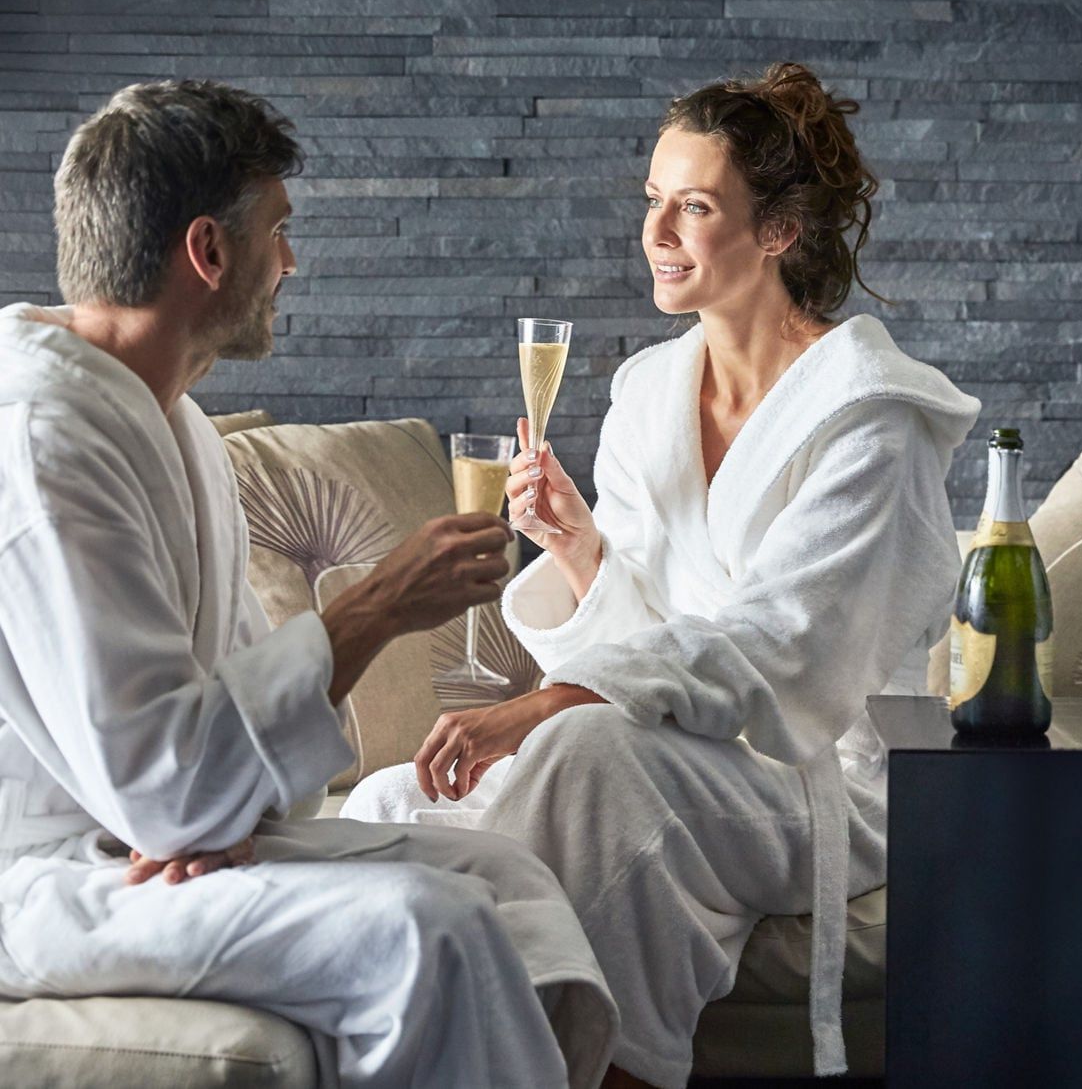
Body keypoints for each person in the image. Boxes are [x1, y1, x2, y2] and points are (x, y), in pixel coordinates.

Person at [343, 62, 981, 1087]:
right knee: (384, 806)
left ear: (777, 230)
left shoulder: (872, 419)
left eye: (694, 205)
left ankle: (592, 1065)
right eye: (652, 200)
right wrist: (582, 551)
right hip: (661, 744)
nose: (658, 232)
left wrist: (546, 701)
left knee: (585, 751)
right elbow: (640, 643)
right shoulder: (647, 391)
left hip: (815, 776)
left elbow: (779, 647)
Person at [0, 80, 618, 1089]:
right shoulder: (43, 442)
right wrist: (376, 607)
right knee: (431, 928)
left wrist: (220, 818)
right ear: (208, 251)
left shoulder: (176, 425)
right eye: (277, 231)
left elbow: (233, 753)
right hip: (55, 877)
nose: (288, 261)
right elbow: (166, 780)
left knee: (506, 876)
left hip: (166, 841)